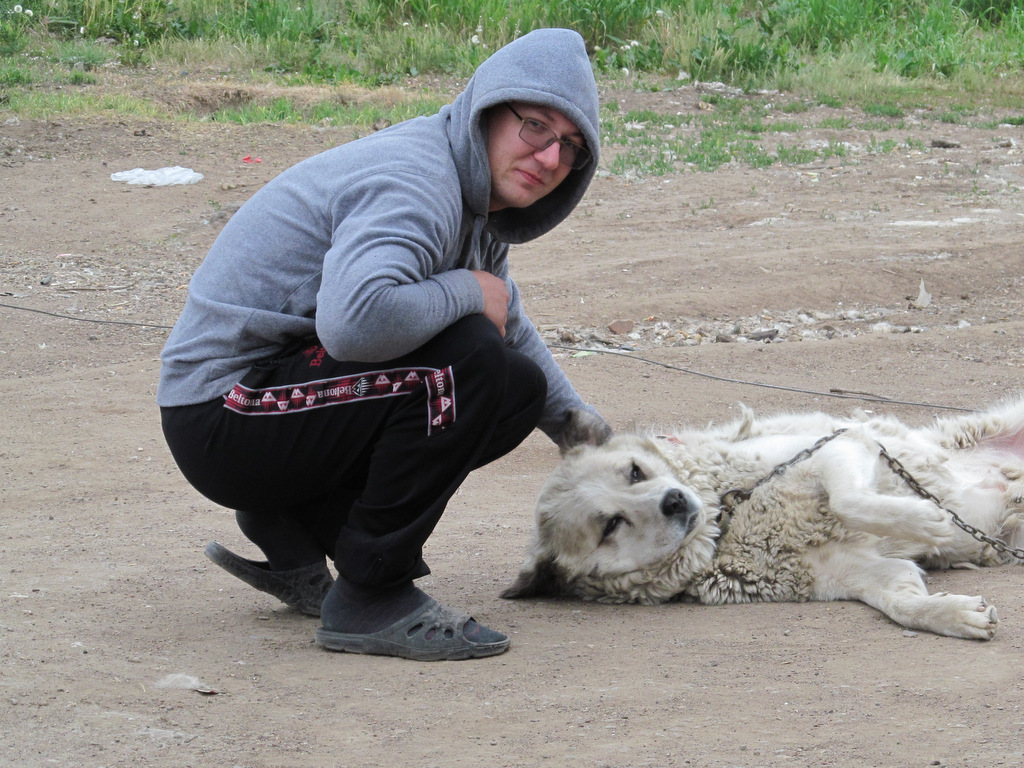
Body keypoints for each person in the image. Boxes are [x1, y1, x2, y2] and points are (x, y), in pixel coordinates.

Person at [157, 27, 606, 661]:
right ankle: (371, 594)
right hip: (222, 412)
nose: (551, 157)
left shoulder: (476, 198)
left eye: (570, 145)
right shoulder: (417, 179)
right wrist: (466, 290)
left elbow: (507, 318)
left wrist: (585, 433)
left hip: (273, 403)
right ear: (486, 110)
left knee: (515, 384)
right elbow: (355, 323)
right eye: (535, 126)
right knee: (471, 359)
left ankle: (293, 522)